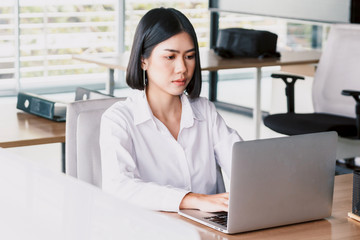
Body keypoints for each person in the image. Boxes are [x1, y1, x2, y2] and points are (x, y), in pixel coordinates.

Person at [99, 7, 242, 212]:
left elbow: (245, 168)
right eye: (170, 57)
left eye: (189, 56)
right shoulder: (119, 119)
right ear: (143, 60)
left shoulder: (205, 112)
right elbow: (119, 187)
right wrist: (192, 200)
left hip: (211, 230)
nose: (182, 68)